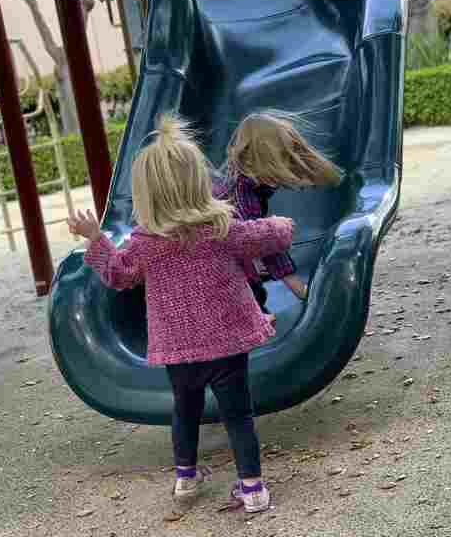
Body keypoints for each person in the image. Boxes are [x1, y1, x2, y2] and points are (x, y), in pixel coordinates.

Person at [67, 114, 294, 513]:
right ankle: (252, 487)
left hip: (180, 348)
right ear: (199, 184)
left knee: (185, 409)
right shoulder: (220, 227)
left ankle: (186, 478)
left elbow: (119, 275)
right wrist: (282, 225)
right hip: (227, 343)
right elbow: (260, 237)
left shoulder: (145, 243)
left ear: (146, 195)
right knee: (238, 414)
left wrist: (95, 238)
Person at [216, 112, 344, 313]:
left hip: (222, 251)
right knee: (252, 292)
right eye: (281, 158)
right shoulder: (240, 190)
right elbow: (262, 240)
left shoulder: (241, 173)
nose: (286, 165)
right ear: (265, 158)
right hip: (212, 266)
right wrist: (299, 288)